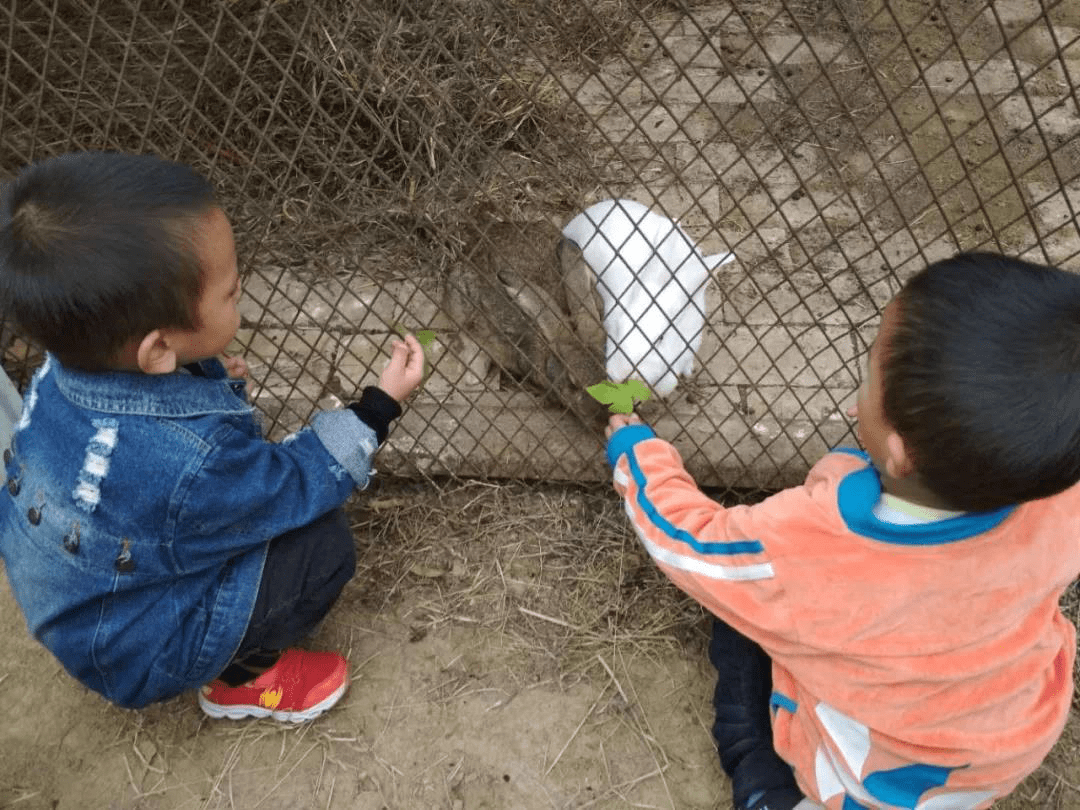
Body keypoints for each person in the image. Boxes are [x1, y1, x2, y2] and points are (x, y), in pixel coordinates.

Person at [604, 252, 1080, 810]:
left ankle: (765, 788)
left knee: (738, 642)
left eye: (868, 371)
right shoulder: (1060, 500)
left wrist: (638, 456)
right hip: (993, 758)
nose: (862, 382)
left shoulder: (813, 546)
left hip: (868, 783)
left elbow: (692, 543)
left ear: (899, 453)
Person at [0, 151, 425, 722]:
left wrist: (204, 380)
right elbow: (292, 483)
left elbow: (141, 434)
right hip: (138, 650)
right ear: (157, 350)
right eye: (228, 292)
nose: (240, 289)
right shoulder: (190, 460)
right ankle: (239, 677)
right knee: (321, 546)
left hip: (83, 611)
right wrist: (378, 408)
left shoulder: (62, 368)